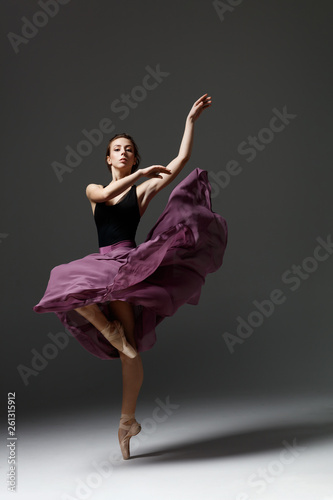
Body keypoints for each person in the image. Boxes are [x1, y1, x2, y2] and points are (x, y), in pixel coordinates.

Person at [33, 93, 228, 460]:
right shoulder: (94, 190)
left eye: (129, 150)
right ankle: (107, 329)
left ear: (134, 156)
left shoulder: (140, 194)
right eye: (117, 150)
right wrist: (140, 174)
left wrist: (190, 120)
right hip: (103, 262)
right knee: (64, 279)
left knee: (131, 351)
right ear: (109, 158)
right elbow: (107, 193)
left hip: (129, 265)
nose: (123, 153)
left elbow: (180, 161)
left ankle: (127, 422)